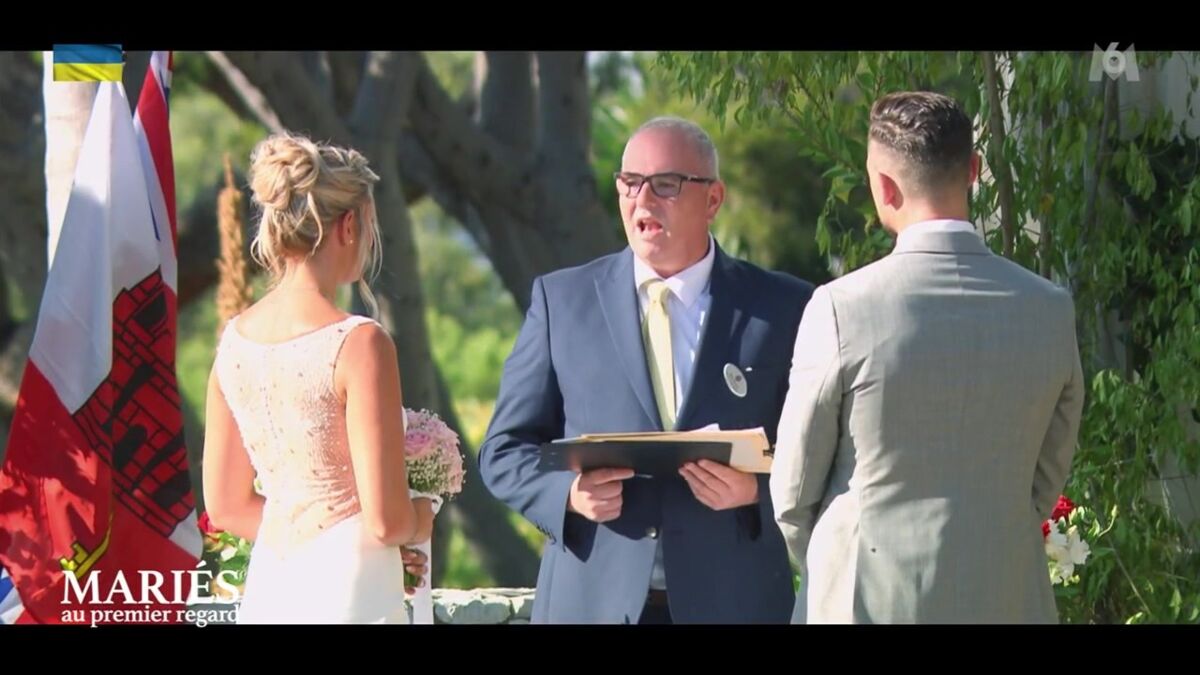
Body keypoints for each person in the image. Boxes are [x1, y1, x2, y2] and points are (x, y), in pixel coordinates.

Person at [478, 117, 814, 624]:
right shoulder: (561, 301)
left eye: (666, 184)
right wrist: (567, 495)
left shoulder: (783, 306)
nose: (643, 199)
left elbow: (823, 455)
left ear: (714, 200)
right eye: (630, 182)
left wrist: (756, 492)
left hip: (736, 602)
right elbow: (503, 451)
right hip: (592, 604)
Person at [770, 91, 1085, 624]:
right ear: (975, 170)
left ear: (884, 187)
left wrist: (834, 561)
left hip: (868, 594)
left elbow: (794, 490)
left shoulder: (842, 308)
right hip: (1006, 591)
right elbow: (1047, 471)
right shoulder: (1049, 309)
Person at [201, 132, 434, 624]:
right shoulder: (360, 343)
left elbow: (224, 506)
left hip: (272, 585)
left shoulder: (233, 343)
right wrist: (425, 511)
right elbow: (389, 520)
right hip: (350, 590)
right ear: (348, 225)